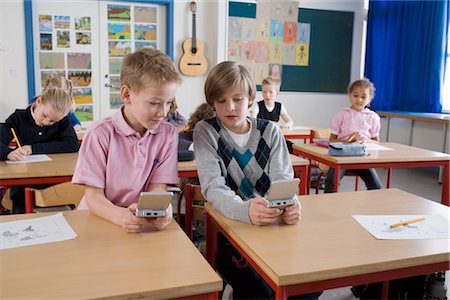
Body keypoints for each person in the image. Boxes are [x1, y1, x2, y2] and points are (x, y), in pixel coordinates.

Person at [193, 61, 321, 300]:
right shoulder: (206, 131)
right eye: (220, 101)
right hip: (227, 229)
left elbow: (283, 180)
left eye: (237, 99)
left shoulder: (270, 131)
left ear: (251, 98)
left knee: (310, 283)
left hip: (271, 227)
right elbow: (213, 187)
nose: (230, 107)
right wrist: (245, 210)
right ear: (212, 101)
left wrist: (290, 205)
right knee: (259, 292)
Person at [72, 48, 180, 233]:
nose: (163, 112)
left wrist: (160, 210)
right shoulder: (99, 134)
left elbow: (157, 187)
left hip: (138, 224)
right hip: (98, 222)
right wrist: (120, 216)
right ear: (127, 95)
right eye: (154, 103)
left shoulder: (168, 134)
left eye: (169, 102)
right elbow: (94, 197)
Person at [0, 87, 79, 213]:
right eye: (45, 115)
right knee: (20, 199)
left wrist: (33, 148)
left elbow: (72, 144)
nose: (47, 122)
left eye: (53, 121)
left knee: (74, 191)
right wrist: (8, 153)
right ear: (39, 101)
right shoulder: (18, 118)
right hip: (24, 180)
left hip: (54, 176)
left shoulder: (62, 121)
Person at [324, 77, 382, 193]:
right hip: (342, 157)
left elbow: (377, 142)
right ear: (349, 95)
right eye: (355, 95)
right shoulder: (342, 114)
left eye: (363, 97)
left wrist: (366, 141)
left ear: (370, 99)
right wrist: (347, 141)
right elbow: (332, 141)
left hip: (362, 158)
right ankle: (328, 206)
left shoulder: (373, 117)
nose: (359, 100)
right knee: (331, 183)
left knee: (376, 187)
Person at [250, 76, 294, 153]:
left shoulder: (279, 106)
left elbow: (290, 121)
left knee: (291, 146)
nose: (267, 95)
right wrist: (272, 123)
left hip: (274, 136)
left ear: (277, 93)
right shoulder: (257, 105)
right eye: (264, 92)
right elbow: (252, 121)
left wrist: (286, 125)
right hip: (261, 138)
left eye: (270, 92)